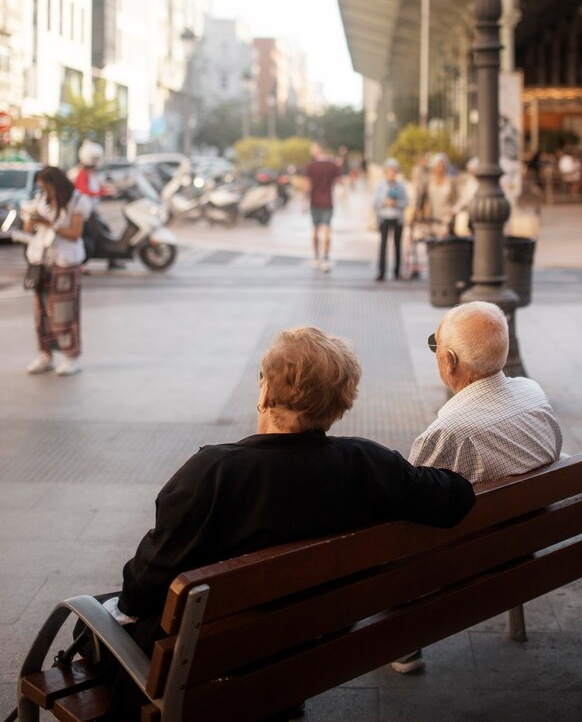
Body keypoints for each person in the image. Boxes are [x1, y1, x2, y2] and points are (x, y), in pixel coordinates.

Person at [98, 326, 475, 714]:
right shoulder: (369, 464)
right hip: (312, 639)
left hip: (208, 657)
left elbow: (141, 587)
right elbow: (456, 498)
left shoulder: (212, 473)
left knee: (98, 617)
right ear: (340, 404)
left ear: (264, 393)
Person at [392, 300, 562, 674]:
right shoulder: (533, 395)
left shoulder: (448, 432)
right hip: (531, 543)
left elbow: (413, 514)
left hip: (470, 562)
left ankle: (405, 644)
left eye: (435, 346)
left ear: (449, 362)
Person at [24, 166, 90, 377]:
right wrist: (32, 219)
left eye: (46, 186)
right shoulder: (41, 199)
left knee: (64, 311)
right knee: (42, 312)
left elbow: (75, 233)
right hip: (42, 260)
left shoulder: (77, 200)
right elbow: (27, 228)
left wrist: (50, 224)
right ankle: (46, 354)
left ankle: (71, 356)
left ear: (56, 184)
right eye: (41, 187)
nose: (44, 190)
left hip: (66, 260)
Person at [72, 140, 124, 270]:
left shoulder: (91, 173)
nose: (96, 162)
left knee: (105, 231)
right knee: (92, 238)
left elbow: (98, 186)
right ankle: (80, 265)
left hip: (92, 210)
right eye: (94, 159)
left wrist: (108, 189)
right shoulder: (82, 174)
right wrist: (101, 193)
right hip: (85, 213)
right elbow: (83, 191)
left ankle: (113, 260)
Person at [303, 142, 343, 271]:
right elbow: (340, 182)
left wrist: (303, 202)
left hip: (314, 202)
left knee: (315, 231)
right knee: (327, 231)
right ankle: (325, 258)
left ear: (318, 149)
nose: (311, 151)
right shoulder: (332, 165)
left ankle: (316, 256)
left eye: (312, 148)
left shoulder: (311, 166)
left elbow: (306, 186)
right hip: (328, 202)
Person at [373, 157, 409, 281]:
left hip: (397, 217)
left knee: (397, 245)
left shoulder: (401, 186)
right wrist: (384, 203)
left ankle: (397, 271)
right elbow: (375, 202)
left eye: (394, 172)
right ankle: (381, 272)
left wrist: (396, 203)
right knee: (383, 245)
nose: (391, 174)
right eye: (389, 171)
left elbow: (406, 202)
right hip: (384, 217)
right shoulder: (380, 185)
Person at [415, 152, 459, 238]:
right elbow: (421, 197)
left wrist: (454, 210)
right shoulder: (428, 182)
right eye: (438, 166)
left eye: (443, 166)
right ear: (434, 167)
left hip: (446, 220)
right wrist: (418, 211)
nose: (440, 169)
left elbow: (458, 200)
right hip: (433, 220)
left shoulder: (451, 182)